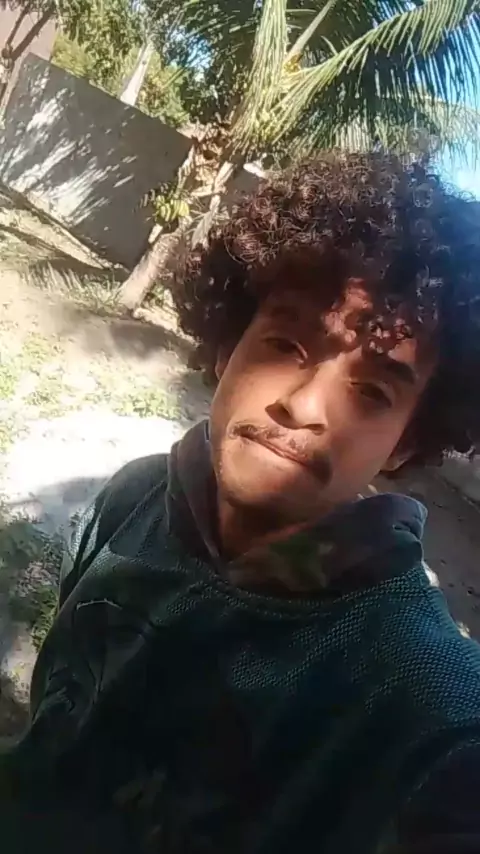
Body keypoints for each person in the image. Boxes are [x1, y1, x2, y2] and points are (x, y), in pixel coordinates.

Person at [4, 152, 480, 853]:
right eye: (286, 344)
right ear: (228, 346)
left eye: (373, 391)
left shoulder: (429, 707)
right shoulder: (135, 498)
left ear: (407, 441)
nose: (304, 407)